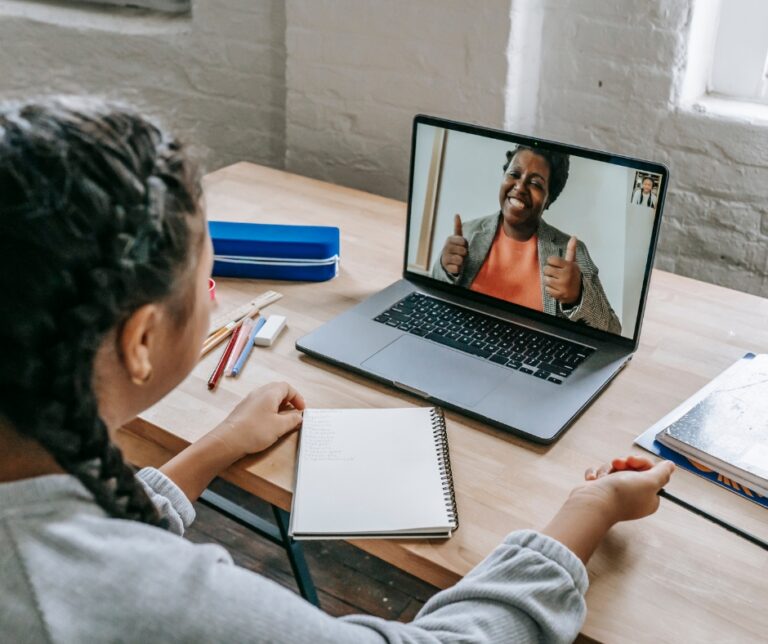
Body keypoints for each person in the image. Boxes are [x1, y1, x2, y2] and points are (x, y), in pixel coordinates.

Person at [0, 99, 675, 643]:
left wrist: (215, 448)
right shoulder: (159, 600)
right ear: (142, 339)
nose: (216, 298)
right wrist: (589, 511)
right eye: (208, 278)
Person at [431, 146, 622, 335]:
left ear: (548, 200)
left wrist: (578, 296)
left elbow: (613, 330)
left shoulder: (571, 252)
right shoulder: (468, 233)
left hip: (531, 353)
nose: (520, 187)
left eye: (536, 184)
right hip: (464, 340)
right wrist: (444, 269)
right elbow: (435, 303)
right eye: (514, 174)